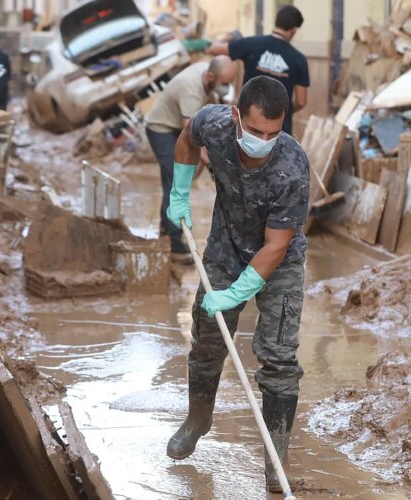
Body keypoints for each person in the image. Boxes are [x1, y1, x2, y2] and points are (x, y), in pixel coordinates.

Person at [164, 75, 309, 493]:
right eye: (255, 130)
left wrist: (236, 293)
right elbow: (186, 138)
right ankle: (197, 419)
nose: (264, 139)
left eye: (273, 132)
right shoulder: (215, 123)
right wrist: (179, 191)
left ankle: (274, 460)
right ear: (235, 116)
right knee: (208, 337)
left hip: (279, 262)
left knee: (279, 359)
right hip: (225, 248)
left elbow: (276, 246)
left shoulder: (291, 166)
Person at [145, 56, 237, 262]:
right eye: (224, 84)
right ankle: (174, 243)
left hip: (179, 127)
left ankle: (166, 229)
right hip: (161, 128)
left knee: (182, 177)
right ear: (211, 77)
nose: (226, 88)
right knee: (176, 179)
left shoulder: (209, 74)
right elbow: (194, 138)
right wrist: (216, 167)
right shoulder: (191, 92)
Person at [209, 5, 309, 135]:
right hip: (278, 130)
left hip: (247, 123)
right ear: (294, 29)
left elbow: (213, 48)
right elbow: (301, 101)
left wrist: (229, 35)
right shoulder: (299, 59)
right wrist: (282, 113)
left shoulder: (251, 44)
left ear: (275, 22)